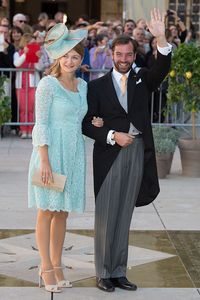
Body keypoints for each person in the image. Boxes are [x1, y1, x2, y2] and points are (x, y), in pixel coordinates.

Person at [82, 8, 171, 293]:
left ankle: (119, 271)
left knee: (124, 215)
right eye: (119, 55)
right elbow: (86, 124)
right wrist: (110, 134)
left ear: (134, 55)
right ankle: (103, 272)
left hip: (137, 154)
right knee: (106, 216)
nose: (123, 60)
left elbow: (162, 69)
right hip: (109, 157)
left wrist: (161, 38)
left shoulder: (143, 78)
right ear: (111, 55)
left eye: (128, 55)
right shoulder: (95, 87)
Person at [28, 23, 102, 294]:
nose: (71, 61)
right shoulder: (48, 85)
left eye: (76, 56)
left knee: (62, 212)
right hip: (51, 153)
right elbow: (41, 124)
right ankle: (45, 266)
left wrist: (95, 121)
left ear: (81, 59)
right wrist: (44, 159)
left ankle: (58, 264)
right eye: (66, 56)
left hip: (73, 153)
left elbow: (80, 119)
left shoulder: (82, 86)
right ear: (57, 58)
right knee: (46, 210)